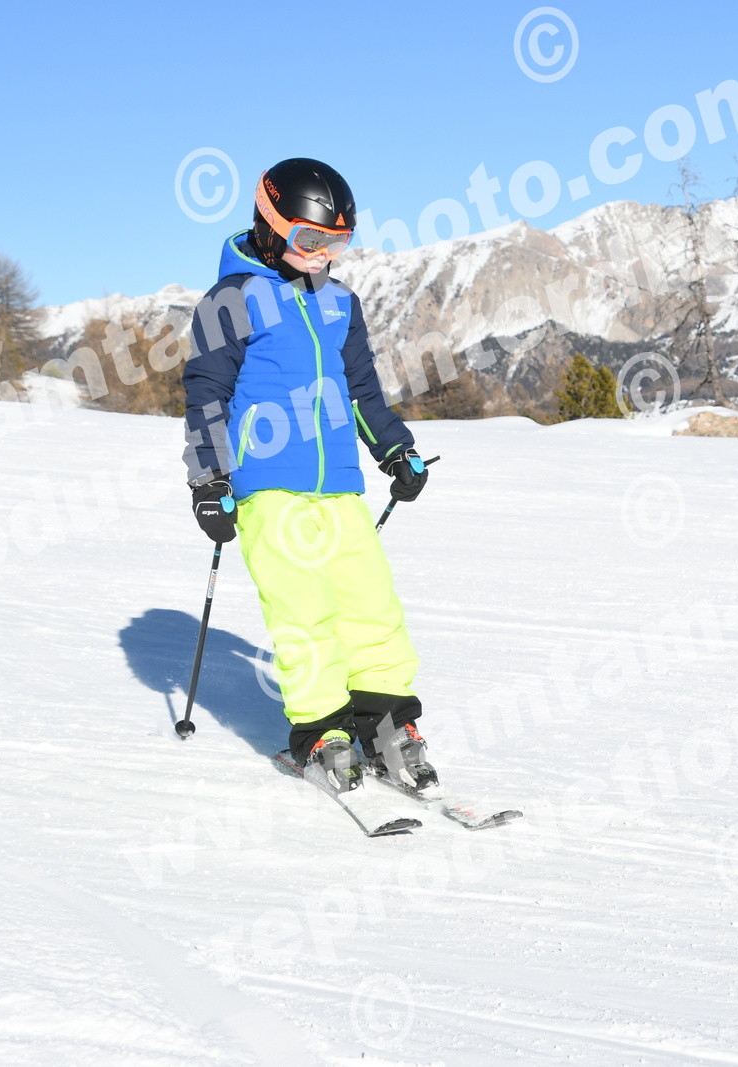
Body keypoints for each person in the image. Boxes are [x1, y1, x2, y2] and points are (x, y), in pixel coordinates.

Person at [182, 158, 435, 793]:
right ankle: (323, 732)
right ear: (269, 225)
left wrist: (395, 451)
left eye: (336, 243)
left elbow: (362, 391)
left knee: (371, 605)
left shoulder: (340, 303)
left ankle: (386, 722)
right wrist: (209, 478)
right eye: (309, 239)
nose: (322, 255)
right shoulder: (233, 298)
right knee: (305, 613)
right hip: (267, 485)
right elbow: (207, 392)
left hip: (339, 484)